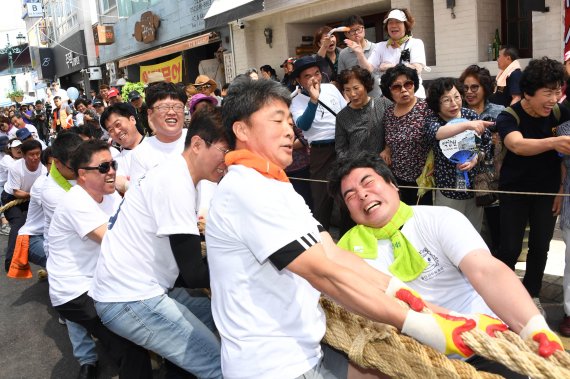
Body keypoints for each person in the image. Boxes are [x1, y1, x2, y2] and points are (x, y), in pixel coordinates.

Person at [207, 77, 498, 379]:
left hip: (302, 348)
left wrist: (428, 307)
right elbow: (324, 273)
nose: (288, 130)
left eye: (290, 121)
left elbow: (334, 255)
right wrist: (420, 325)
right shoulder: (246, 189)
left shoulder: (276, 186)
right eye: (277, 120)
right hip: (275, 366)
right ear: (241, 129)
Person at [328, 152, 563, 377]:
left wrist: (532, 326)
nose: (362, 195)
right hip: (412, 361)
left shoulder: (439, 219)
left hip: (483, 343)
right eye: (350, 195)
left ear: (393, 184)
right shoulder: (345, 253)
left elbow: (486, 271)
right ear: (348, 210)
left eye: (368, 182)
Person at [90, 109, 227, 378]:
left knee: (221, 317)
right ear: (197, 144)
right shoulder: (176, 181)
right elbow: (195, 273)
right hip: (130, 297)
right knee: (218, 366)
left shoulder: (179, 174)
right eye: (225, 152)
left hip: (140, 288)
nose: (228, 163)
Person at [47, 139, 152, 379]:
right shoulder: (75, 201)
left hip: (101, 279)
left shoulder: (110, 193)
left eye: (113, 164)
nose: (112, 171)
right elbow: (116, 242)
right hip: (76, 292)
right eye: (103, 167)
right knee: (130, 345)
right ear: (82, 174)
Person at [495, 57, 570, 314]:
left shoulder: (560, 111)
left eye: (558, 92)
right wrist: (552, 143)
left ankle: (532, 293)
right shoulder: (509, 115)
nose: (553, 99)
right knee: (510, 247)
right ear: (528, 92)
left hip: (548, 192)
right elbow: (516, 145)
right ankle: (502, 296)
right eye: (548, 92)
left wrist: (560, 189)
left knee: (541, 246)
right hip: (514, 191)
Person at [40, 131, 99, 377]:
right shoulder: (50, 190)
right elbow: (88, 217)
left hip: (89, 240)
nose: (77, 170)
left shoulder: (80, 171)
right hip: (68, 250)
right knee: (75, 299)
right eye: (72, 165)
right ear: (56, 161)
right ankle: (87, 359)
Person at [425, 77, 493, 232]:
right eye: (446, 100)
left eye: (456, 97)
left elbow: (485, 144)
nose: (454, 103)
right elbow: (438, 133)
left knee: (473, 232)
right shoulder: (433, 120)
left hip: (474, 189)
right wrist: (467, 125)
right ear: (437, 103)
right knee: (449, 233)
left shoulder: (471, 115)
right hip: (448, 189)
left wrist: (475, 159)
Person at [290, 55, 347, 230]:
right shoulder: (296, 100)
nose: (314, 78)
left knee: (347, 193)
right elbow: (303, 125)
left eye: (316, 73)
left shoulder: (330, 88)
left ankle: (349, 237)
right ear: (299, 80)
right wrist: (313, 100)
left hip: (342, 145)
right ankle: (322, 237)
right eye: (307, 76)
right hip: (320, 150)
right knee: (321, 196)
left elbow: (345, 112)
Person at [459, 65, 505, 253]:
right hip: (466, 181)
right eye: (466, 88)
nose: (469, 92)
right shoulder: (458, 113)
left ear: (485, 87)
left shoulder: (499, 112)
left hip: (494, 181)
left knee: (497, 232)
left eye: (474, 87)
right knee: (472, 234)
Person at [380, 64, 433, 206]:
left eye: (408, 84)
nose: (403, 90)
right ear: (389, 91)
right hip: (398, 179)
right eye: (396, 87)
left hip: (425, 180)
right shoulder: (389, 113)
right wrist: (387, 149)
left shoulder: (426, 107)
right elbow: (389, 137)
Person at [346, 8, 428, 98]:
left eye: (398, 22)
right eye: (390, 22)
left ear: (406, 25)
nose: (393, 25)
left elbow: (417, 69)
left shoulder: (415, 43)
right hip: (390, 98)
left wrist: (389, 67)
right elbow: (367, 69)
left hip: (414, 95)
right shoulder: (380, 46)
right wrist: (359, 53)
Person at [128, 82, 188, 185]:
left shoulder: (198, 139)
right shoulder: (141, 154)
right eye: (164, 107)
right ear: (150, 114)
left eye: (178, 107)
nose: (171, 112)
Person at [2, 139, 45, 272]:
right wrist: (33, 194)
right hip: (12, 198)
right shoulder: (15, 167)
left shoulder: (43, 168)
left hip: (31, 197)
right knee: (19, 222)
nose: (35, 157)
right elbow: (17, 192)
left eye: (38, 154)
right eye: (31, 155)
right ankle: (10, 261)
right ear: (24, 155)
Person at [335, 65, 391, 159]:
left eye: (356, 88)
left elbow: (394, 132)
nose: (352, 94)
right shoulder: (342, 116)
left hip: (382, 167)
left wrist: (388, 149)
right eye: (347, 90)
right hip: (357, 168)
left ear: (366, 85)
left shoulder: (384, 104)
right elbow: (341, 149)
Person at [338, 15, 381, 98]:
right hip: (355, 99)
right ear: (346, 34)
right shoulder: (343, 54)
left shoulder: (377, 48)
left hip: (376, 96)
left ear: (364, 29)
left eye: (358, 29)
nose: (356, 33)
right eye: (351, 31)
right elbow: (342, 79)